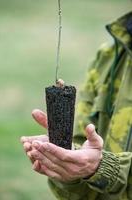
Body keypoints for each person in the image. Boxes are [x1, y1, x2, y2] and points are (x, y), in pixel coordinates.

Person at [21, 11, 132, 200]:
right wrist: (68, 167)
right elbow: (84, 188)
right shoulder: (108, 57)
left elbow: (98, 165)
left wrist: (105, 168)